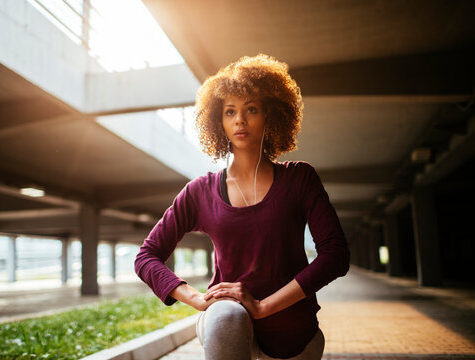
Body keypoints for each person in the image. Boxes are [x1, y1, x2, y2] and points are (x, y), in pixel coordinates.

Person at [135, 54, 350, 360]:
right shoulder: (200, 191)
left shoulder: (300, 178)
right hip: (227, 322)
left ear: (270, 116)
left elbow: (336, 255)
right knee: (226, 317)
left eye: (251, 109)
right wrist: (196, 298)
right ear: (218, 121)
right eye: (229, 111)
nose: (239, 120)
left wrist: (262, 307)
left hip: (292, 332)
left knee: (270, 329)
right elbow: (147, 256)